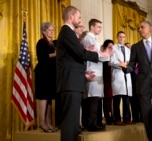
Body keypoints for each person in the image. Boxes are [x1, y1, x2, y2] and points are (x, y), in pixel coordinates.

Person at [56, 6, 112, 141]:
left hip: (73, 81)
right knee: (70, 122)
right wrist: (101, 54)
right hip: (70, 83)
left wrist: (83, 74)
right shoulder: (66, 31)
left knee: (74, 123)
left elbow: (72, 58)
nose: (80, 20)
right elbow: (80, 53)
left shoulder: (68, 32)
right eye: (79, 17)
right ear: (71, 17)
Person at [82, 18, 108, 131]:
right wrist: (106, 54)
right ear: (92, 27)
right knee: (92, 98)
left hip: (96, 70)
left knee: (94, 98)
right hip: (92, 70)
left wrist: (105, 54)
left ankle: (91, 123)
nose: (100, 29)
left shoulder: (93, 39)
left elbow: (97, 55)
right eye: (98, 27)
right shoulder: (89, 38)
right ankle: (91, 124)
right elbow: (94, 55)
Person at [34, 22, 57, 133]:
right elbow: (42, 57)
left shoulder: (52, 43)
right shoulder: (41, 42)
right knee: (43, 97)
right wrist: (56, 54)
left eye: (53, 30)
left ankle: (48, 122)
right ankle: (42, 122)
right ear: (44, 31)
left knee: (49, 99)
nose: (52, 32)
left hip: (51, 74)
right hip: (43, 73)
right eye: (50, 30)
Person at [110, 31, 134, 126]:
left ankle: (127, 118)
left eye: (123, 37)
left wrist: (127, 64)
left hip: (126, 76)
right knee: (117, 99)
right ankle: (117, 119)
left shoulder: (128, 50)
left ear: (125, 38)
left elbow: (131, 61)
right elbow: (111, 62)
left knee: (126, 99)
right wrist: (120, 64)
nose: (122, 39)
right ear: (117, 37)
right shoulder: (113, 48)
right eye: (120, 37)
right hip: (118, 75)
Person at [102, 39, 114, 125]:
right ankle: (107, 117)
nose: (111, 49)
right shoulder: (103, 57)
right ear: (105, 48)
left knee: (111, 99)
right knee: (107, 98)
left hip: (113, 79)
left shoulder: (113, 56)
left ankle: (112, 116)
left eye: (112, 47)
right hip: (105, 79)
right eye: (109, 47)